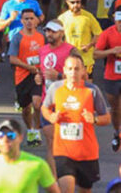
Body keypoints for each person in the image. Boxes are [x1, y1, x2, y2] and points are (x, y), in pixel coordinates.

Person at [42, 54, 111, 193]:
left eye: (77, 69)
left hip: (87, 153)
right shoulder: (56, 88)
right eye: (70, 69)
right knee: (67, 188)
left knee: (85, 190)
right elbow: (45, 107)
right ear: (65, 71)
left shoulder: (92, 91)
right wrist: (51, 116)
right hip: (63, 152)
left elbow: (107, 118)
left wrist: (95, 119)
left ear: (83, 71)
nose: (73, 72)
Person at [36, 20, 75, 175]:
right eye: (47, 31)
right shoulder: (42, 50)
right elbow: (42, 72)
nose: (49, 34)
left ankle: (68, 176)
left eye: (53, 31)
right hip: (49, 104)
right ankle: (55, 184)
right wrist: (38, 78)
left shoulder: (71, 51)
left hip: (67, 103)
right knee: (51, 143)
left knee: (67, 144)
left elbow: (82, 75)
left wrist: (59, 75)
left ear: (61, 33)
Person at [0, 119, 59, 193]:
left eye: (11, 135)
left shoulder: (37, 164)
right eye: (1, 135)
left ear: (20, 138)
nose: (5, 139)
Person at [9, 8, 45, 146]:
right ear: (22, 21)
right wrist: (29, 67)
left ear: (36, 20)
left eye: (32, 18)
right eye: (26, 19)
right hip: (22, 76)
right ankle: (30, 129)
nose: (29, 21)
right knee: (25, 108)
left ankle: (36, 131)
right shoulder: (17, 37)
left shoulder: (42, 35)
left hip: (37, 74)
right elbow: (12, 59)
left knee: (37, 103)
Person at [58, 0, 102, 79]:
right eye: (72, 2)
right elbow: (58, 38)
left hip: (86, 60)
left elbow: (99, 34)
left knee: (87, 88)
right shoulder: (62, 18)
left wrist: (89, 45)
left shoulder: (88, 16)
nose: (75, 5)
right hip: (69, 60)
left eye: (78, 2)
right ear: (67, 2)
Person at [94, 9, 121, 152]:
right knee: (116, 109)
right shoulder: (107, 33)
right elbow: (95, 54)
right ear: (114, 20)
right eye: (119, 22)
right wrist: (111, 51)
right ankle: (117, 133)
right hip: (112, 76)